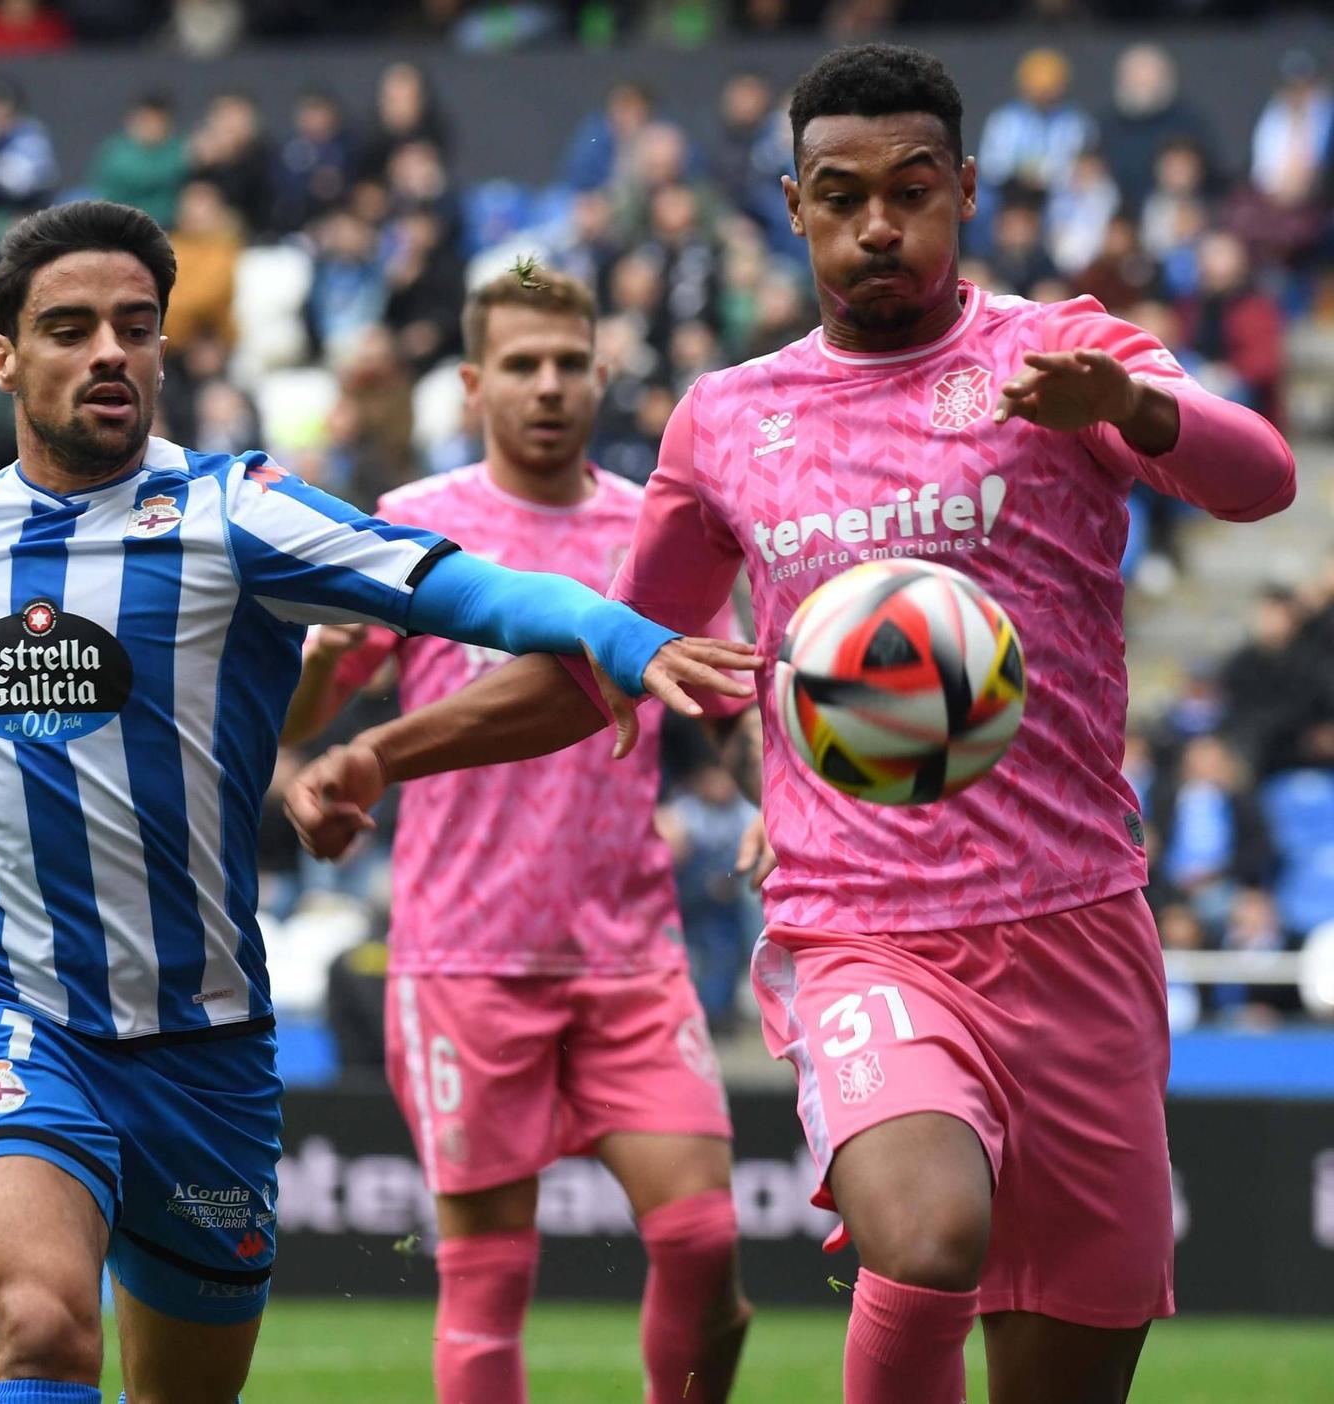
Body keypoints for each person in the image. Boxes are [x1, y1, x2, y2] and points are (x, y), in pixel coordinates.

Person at [0, 199, 755, 1404]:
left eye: (133, 328)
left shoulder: (236, 512)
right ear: (5, 357)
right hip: (3, 1004)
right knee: (43, 1330)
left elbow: (452, 589)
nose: (106, 352)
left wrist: (612, 632)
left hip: (204, 1042)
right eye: (69, 327)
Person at [285, 44, 1296, 1404]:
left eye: (912, 190)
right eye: (841, 194)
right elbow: (609, 666)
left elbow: (1264, 476)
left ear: (967, 193)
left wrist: (1131, 404)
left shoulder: (1061, 354)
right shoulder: (730, 421)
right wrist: (379, 750)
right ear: (794, 202)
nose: (878, 223)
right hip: (862, 926)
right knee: (927, 1234)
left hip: (1078, 930)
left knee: (1069, 1369)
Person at [278, 268, 753, 1404]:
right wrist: (320, 689)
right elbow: (306, 726)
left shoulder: (657, 528)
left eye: (568, 363)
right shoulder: (412, 523)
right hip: (460, 955)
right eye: (522, 366)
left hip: (627, 953)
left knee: (701, 1242)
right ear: (472, 383)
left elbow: (728, 714)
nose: (548, 386)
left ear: (600, 371)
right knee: (484, 1289)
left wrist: (775, 802)